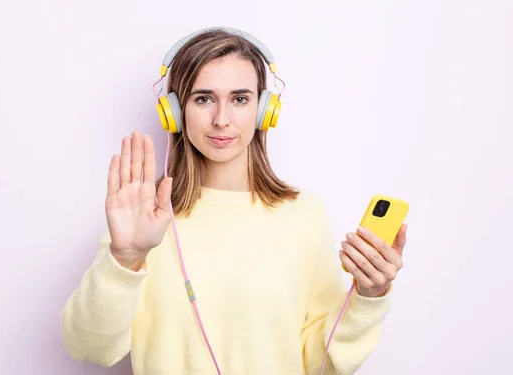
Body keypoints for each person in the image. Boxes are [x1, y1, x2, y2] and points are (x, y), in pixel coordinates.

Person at [60, 27, 408, 375]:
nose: (222, 119)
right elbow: (89, 347)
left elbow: (323, 363)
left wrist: (369, 296)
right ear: (175, 112)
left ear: (264, 110)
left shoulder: (302, 215)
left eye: (240, 99)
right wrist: (126, 258)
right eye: (203, 98)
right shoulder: (144, 217)